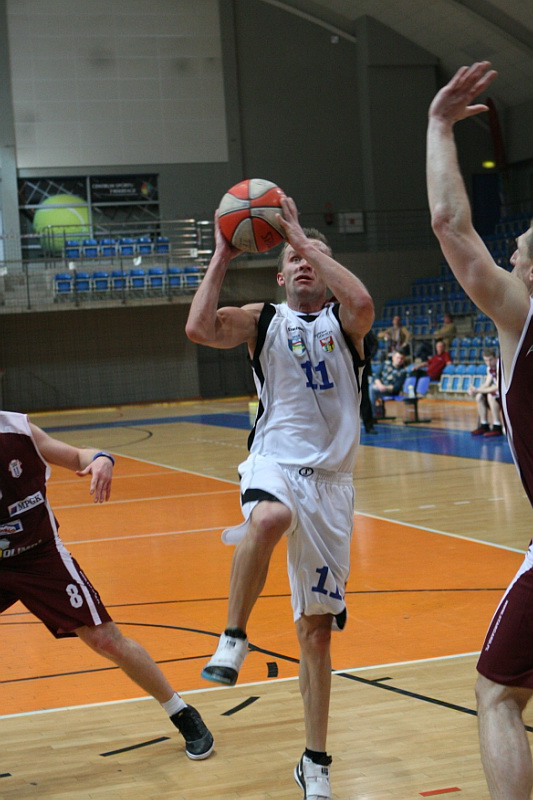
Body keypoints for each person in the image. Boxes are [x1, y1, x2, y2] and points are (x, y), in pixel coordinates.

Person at [185, 194, 374, 800]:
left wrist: (299, 235)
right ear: (278, 274)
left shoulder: (346, 323)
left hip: (333, 489)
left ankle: (315, 762)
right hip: (276, 464)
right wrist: (222, 252)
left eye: (311, 257)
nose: (303, 263)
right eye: (292, 259)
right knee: (269, 515)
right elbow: (199, 328)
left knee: (316, 635)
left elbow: (363, 303)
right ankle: (232, 636)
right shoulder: (263, 319)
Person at [427, 60, 533, 800]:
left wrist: (439, 125)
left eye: (519, 254)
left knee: (496, 692)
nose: (511, 259)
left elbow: (450, 224)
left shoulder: (522, 316)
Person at [0, 411, 214, 760]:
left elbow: (78, 456)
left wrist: (101, 459)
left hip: (38, 556)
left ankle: (180, 711)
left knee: (105, 639)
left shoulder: (18, 430)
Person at [467, 348, 503, 437]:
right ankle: (484, 424)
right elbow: (487, 384)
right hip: (498, 392)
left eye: (490, 360)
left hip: (505, 392)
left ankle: (497, 426)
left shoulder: (500, 365)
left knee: (491, 395)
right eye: (486, 360)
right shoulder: (489, 368)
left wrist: (478, 390)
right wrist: (475, 390)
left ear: (495, 358)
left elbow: (497, 386)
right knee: (479, 396)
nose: (488, 363)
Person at [368, 350, 409, 420]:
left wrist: (384, 387)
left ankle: (372, 415)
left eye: (401, 358)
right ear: (393, 357)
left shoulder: (403, 371)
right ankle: (366, 413)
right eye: (398, 357)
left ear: (404, 359)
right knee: (369, 387)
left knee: (371, 389)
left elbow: (396, 387)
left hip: (390, 392)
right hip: (379, 387)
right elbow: (376, 377)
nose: (399, 360)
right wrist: (380, 385)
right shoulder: (385, 364)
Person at [361, 330, 379, 433]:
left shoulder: (364, 328)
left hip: (363, 367)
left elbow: (375, 344)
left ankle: (369, 426)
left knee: (365, 397)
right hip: (346, 367)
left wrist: (368, 356)